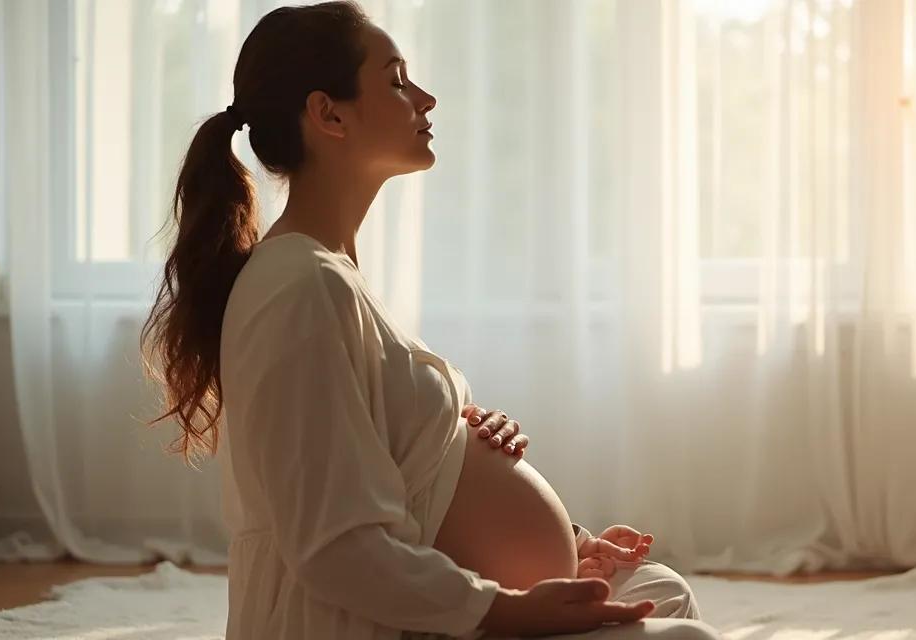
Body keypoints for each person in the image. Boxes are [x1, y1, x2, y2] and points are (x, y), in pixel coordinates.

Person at [140, 3, 716, 639]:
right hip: (355, 622)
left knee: (661, 590)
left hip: (440, 591)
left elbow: (401, 481)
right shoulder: (298, 287)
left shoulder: (328, 274)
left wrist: (548, 530)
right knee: (685, 637)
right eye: (395, 80)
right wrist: (510, 605)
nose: (426, 97)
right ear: (328, 114)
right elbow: (335, 548)